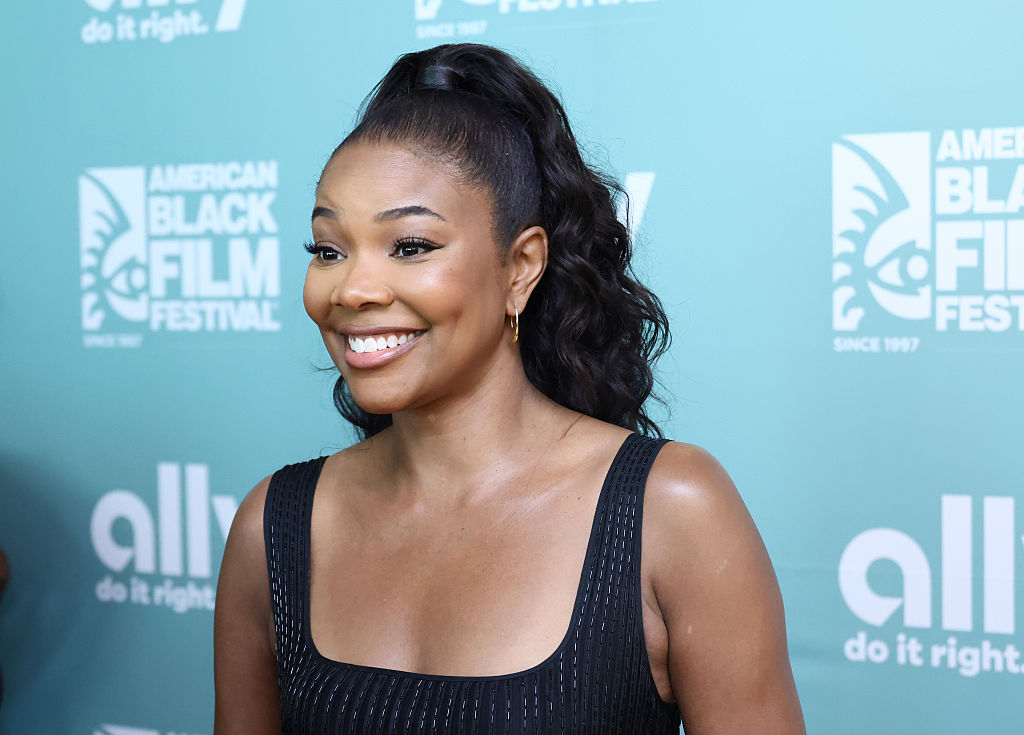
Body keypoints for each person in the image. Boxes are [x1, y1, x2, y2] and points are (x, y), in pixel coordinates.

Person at [214, 43, 805, 734]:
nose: (352, 289)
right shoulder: (272, 527)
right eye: (328, 250)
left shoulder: (672, 511)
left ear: (521, 266)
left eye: (410, 246)